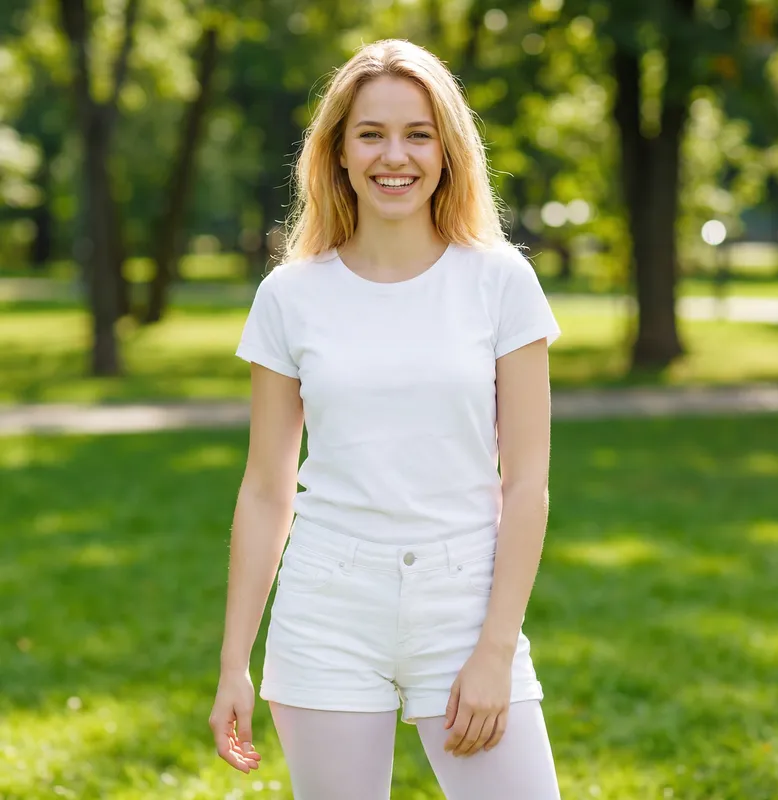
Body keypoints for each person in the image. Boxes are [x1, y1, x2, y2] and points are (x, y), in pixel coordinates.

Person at [209, 38, 562, 800]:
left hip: (465, 601)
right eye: (370, 133)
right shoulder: (290, 295)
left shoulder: (501, 281)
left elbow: (527, 480)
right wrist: (235, 660)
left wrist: (496, 649)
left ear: (447, 149)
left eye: (417, 133)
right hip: (327, 604)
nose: (393, 156)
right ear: (337, 151)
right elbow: (267, 487)